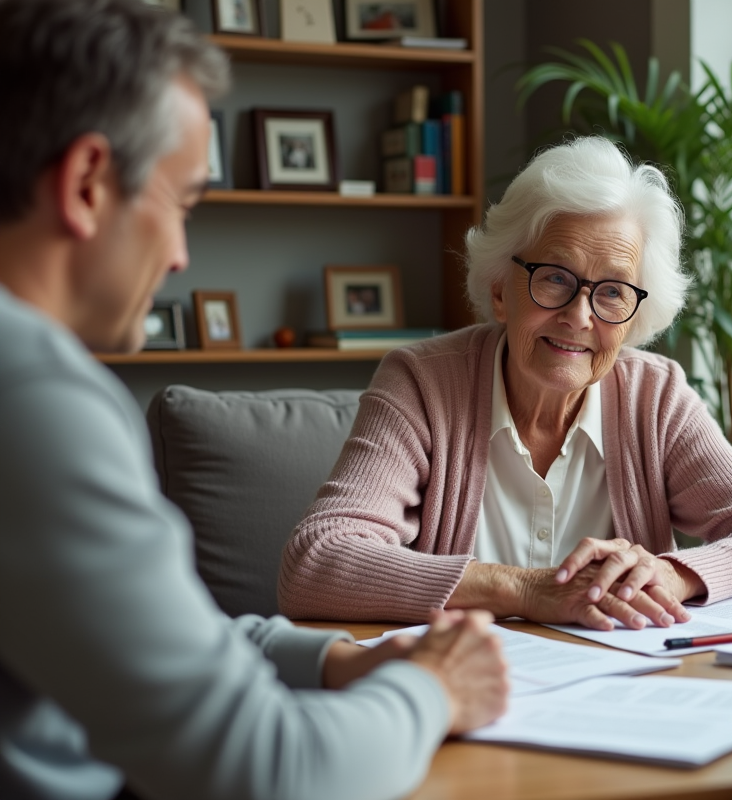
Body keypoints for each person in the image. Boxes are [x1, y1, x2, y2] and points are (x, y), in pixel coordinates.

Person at [0, 2, 507, 799]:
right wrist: (435, 691)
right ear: (88, 184)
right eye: (184, 206)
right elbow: (272, 770)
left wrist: (334, 658)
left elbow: (155, 640)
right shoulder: (34, 399)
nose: (179, 256)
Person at [278, 136, 732, 630]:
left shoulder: (655, 397)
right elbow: (315, 562)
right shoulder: (422, 384)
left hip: (625, 698)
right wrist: (523, 590)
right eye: (555, 278)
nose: (580, 316)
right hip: (465, 692)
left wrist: (670, 573)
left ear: (636, 316)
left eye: (613, 291)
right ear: (499, 289)